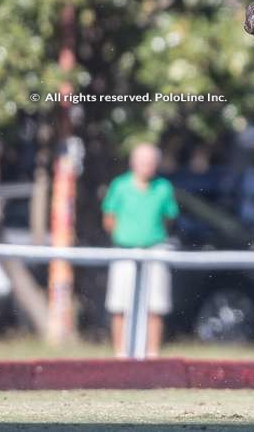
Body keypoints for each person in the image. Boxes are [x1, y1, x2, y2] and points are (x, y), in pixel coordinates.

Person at [102, 143, 179, 358]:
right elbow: (109, 218)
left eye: (151, 161)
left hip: (155, 250)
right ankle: (120, 354)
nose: (147, 166)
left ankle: (152, 353)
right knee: (119, 303)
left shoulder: (163, 187)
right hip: (124, 250)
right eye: (143, 161)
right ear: (133, 163)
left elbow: (169, 216)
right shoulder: (120, 185)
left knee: (156, 303)